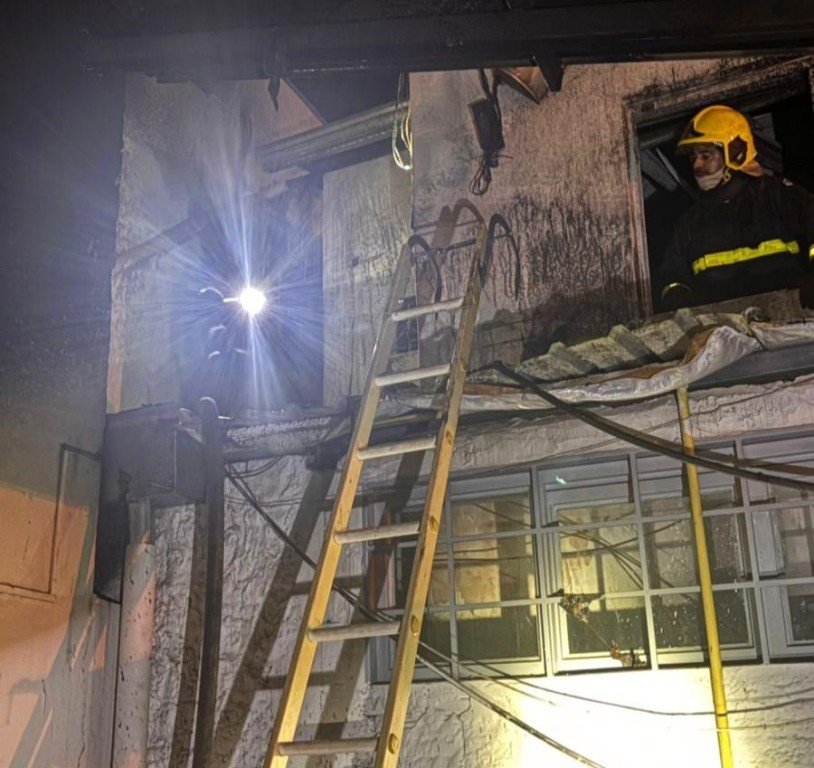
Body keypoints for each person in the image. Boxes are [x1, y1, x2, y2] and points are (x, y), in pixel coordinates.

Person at [658, 104, 814, 310]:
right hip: (723, 328)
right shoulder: (689, 224)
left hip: (791, 321)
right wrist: (679, 300)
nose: (696, 165)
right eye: (693, 157)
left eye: (706, 156)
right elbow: (670, 279)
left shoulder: (778, 195)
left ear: (736, 152)